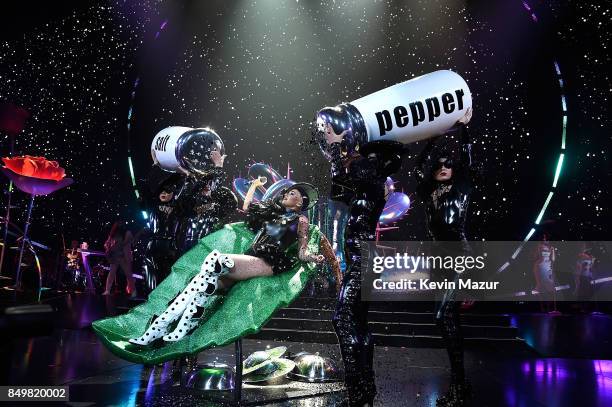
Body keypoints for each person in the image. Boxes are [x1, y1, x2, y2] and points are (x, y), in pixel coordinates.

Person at [92, 181, 341, 364]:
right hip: (251, 260)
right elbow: (246, 208)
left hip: (267, 264)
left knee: (214, 261)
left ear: (301, 203)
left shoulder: (302, 222)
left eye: (293, 194)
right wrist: (254, 185)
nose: (287, 195)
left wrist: (312, 258)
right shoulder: (272, 215)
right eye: (287, 192)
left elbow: (302, 250)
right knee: (200, 281)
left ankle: (176, 327)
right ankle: (160, 329)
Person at [319, 119, 406, 407]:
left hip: (363, 257)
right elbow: (337, 189)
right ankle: (365, 393)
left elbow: (354, 171)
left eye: (369, 155)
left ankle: (358, 392)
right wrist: (337, 152)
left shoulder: (373, 178)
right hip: (360, 256)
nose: (360, 158)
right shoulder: (365, 184)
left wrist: (340, 148)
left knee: (342, 319)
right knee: (357, 322)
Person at [414, 108, 473, 406]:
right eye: (439, 164)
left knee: (443, 316)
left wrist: (463, 129)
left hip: (460, 257)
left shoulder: (462, 186)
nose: (443, 166)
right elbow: (418, 169)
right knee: (447, 320)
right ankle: (459, 381)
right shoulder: (429, 192)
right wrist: (433, 140)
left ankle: (460, 382)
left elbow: (468, 160)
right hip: (440, 260)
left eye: (449, 164)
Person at [102, 221, 136, 298]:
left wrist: (114, 245)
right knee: (112, 273)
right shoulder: (113, 234)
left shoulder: (127, 233)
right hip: (116, 256)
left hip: (125, 256)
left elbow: (128, 242)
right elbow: (107, 243)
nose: (119, 226)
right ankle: (107, 290)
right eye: (117, 224)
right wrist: (108, 247)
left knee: (128, 275)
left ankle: (133, 291)